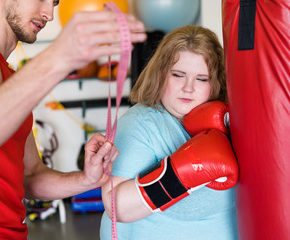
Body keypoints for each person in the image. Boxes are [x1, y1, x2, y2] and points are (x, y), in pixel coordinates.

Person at [0, 0, 147, 239]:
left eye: (54, 3)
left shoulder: (12, 81)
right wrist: (58, 57)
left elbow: (30, 176)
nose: (49, 14)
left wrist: (86, 179)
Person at [100, 25, 238, 240]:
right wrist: (178, 176)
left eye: (202, 79)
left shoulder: (230, 121)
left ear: (216, 82)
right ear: (161, 74)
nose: (188, 88)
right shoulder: (141, 124)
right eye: (178, 75)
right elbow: (116, 206)